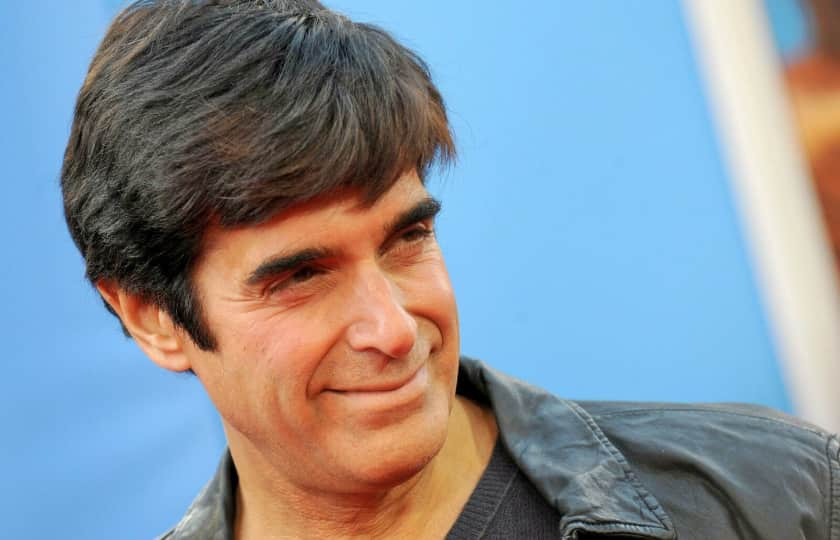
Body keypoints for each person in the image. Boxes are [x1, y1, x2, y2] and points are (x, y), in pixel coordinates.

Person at [61, 1, 839, 538]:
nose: (395, 330)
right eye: (300, 277)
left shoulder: (775, 497)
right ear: (152, 317)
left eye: (407, 238)